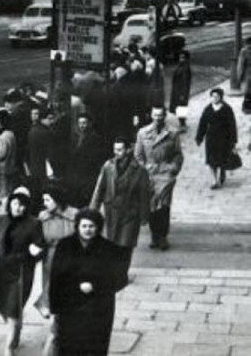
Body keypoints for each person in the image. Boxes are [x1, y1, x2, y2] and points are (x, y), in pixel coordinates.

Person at [0, 187, 45, 354]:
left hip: (21, 271)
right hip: (0, 271)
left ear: (27, 207)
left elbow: (41, 246)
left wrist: (33, 253)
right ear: (10, 203)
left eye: (22, 205)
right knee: (5, 307)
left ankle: (9, 348)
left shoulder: (34, 223)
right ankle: (16, 328)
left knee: (14, 306)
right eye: (15, 203)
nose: (18, 207)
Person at [48, 208, 128, 356]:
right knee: (69, 346)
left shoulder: (109, 249)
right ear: (77, 226)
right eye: (84, 226)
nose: (88, 230)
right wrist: (55, 308)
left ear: (98, 227)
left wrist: (96, 286)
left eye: (91, 226)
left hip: (98, 308)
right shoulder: (65, 246)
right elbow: (55, 278)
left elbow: (120, 279)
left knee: (95, 347)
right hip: (70, 306)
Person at [89, 137, 151, 278]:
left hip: (130, 213)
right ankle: (112, 271)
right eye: (115, 149)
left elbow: (144, 195)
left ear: (128, 149)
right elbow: (99, 188)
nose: (117, 152)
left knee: (125, 245)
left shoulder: (139, 170)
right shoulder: (108, 166)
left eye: (120, 149)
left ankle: (122, 274)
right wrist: (93, 210)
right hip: (110, 212)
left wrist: (144, 216)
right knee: (111, 244)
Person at [135, 105, 184, 251]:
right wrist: (144, 168)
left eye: (160, 115)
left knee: (164, 205)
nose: (157, 118)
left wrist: (173, 169)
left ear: (165, 116)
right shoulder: (142, 133)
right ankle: (154, 235)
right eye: (155, 115)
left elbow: (178, 154)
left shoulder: (173, 133)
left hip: (165, 174)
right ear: (151, 115)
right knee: (151, 206)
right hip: (148, 175)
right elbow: (138, 155)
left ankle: (163, 236)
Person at [35, 182, 78, 344]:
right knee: (54, 294)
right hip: (50, 261)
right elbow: (38, 240)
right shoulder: (42, 217)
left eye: (47, 200)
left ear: (57, 199)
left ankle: (60, 329)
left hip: (70, 260)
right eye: (44, 200)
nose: (45, 203)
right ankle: (56, 330)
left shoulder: (74, 215)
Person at [195, 87, 238, 189]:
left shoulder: (227, 109)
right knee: (211, 160)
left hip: (224, 138)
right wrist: (199, 137)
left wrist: (233, 141)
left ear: (221, 97)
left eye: (216, 96)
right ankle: (214, 180)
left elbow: (232, 126)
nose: (214, 98)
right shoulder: (208, 109)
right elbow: (202, 124)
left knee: (222, 159)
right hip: (211, 138)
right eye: (212, 96)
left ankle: (222, 171)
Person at [67, 114, 107, 208]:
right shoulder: (74, 137)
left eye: (84, 123)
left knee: (88, 197)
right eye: (80, 123)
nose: (82, 125)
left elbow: (96, 157)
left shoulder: (95, 138)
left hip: (88, 173)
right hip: (76, 173)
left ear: (89, 124)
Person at [169, 49, 193, 130]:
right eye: (180, 57)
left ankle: (182, 124)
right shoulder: (181, 66)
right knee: (180, 107)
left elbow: (185, 82)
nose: (181, 59)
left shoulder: (185, 68)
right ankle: (182, 123)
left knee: (181, 107)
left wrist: (183, 94)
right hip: (178, 91)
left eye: (183, 58)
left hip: (181, 92)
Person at [237, 36, 251, 114]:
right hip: (248, 74)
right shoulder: (244, 51)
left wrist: (239, 76)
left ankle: (246, 108)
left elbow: (240, 65)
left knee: (247, 93)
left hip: (247, 74)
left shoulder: (244, 51)